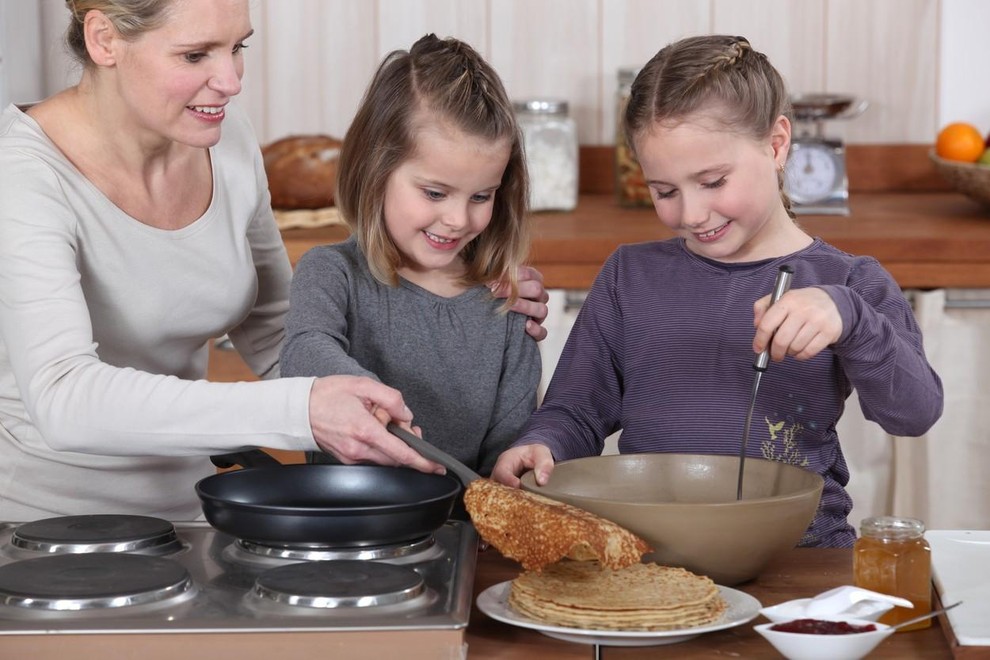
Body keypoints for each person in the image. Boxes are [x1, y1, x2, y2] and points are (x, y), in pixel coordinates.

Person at [0, 0, 547, 521]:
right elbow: (63, 398)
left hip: (195, 510)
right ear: (104, 39)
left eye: (238, 47)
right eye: (196, 55)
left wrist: (459, 308)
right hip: (46, 525)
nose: (232, 81)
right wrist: (300, 409)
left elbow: (280, 336)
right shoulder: (22, 177)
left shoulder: (225, 140)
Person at [491, 34, 944, 547]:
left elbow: (915, 413)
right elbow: (576, 411)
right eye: (664, 191)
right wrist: (541, 444)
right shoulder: (628, 276)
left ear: (776, 144)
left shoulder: (848, 284)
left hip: (800, 559)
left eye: (712, 182)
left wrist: (853, 322)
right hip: (650, 557)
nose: (690, 214)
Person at [280, 34, 542, 478]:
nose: (458, 219)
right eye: (435, 193)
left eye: (481, 195)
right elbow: (304, 350)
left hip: (466, 535)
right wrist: (380, 401)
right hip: (349, 534)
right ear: (374, 171)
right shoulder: (330, 273)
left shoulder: (507, 303)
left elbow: (511, 450)